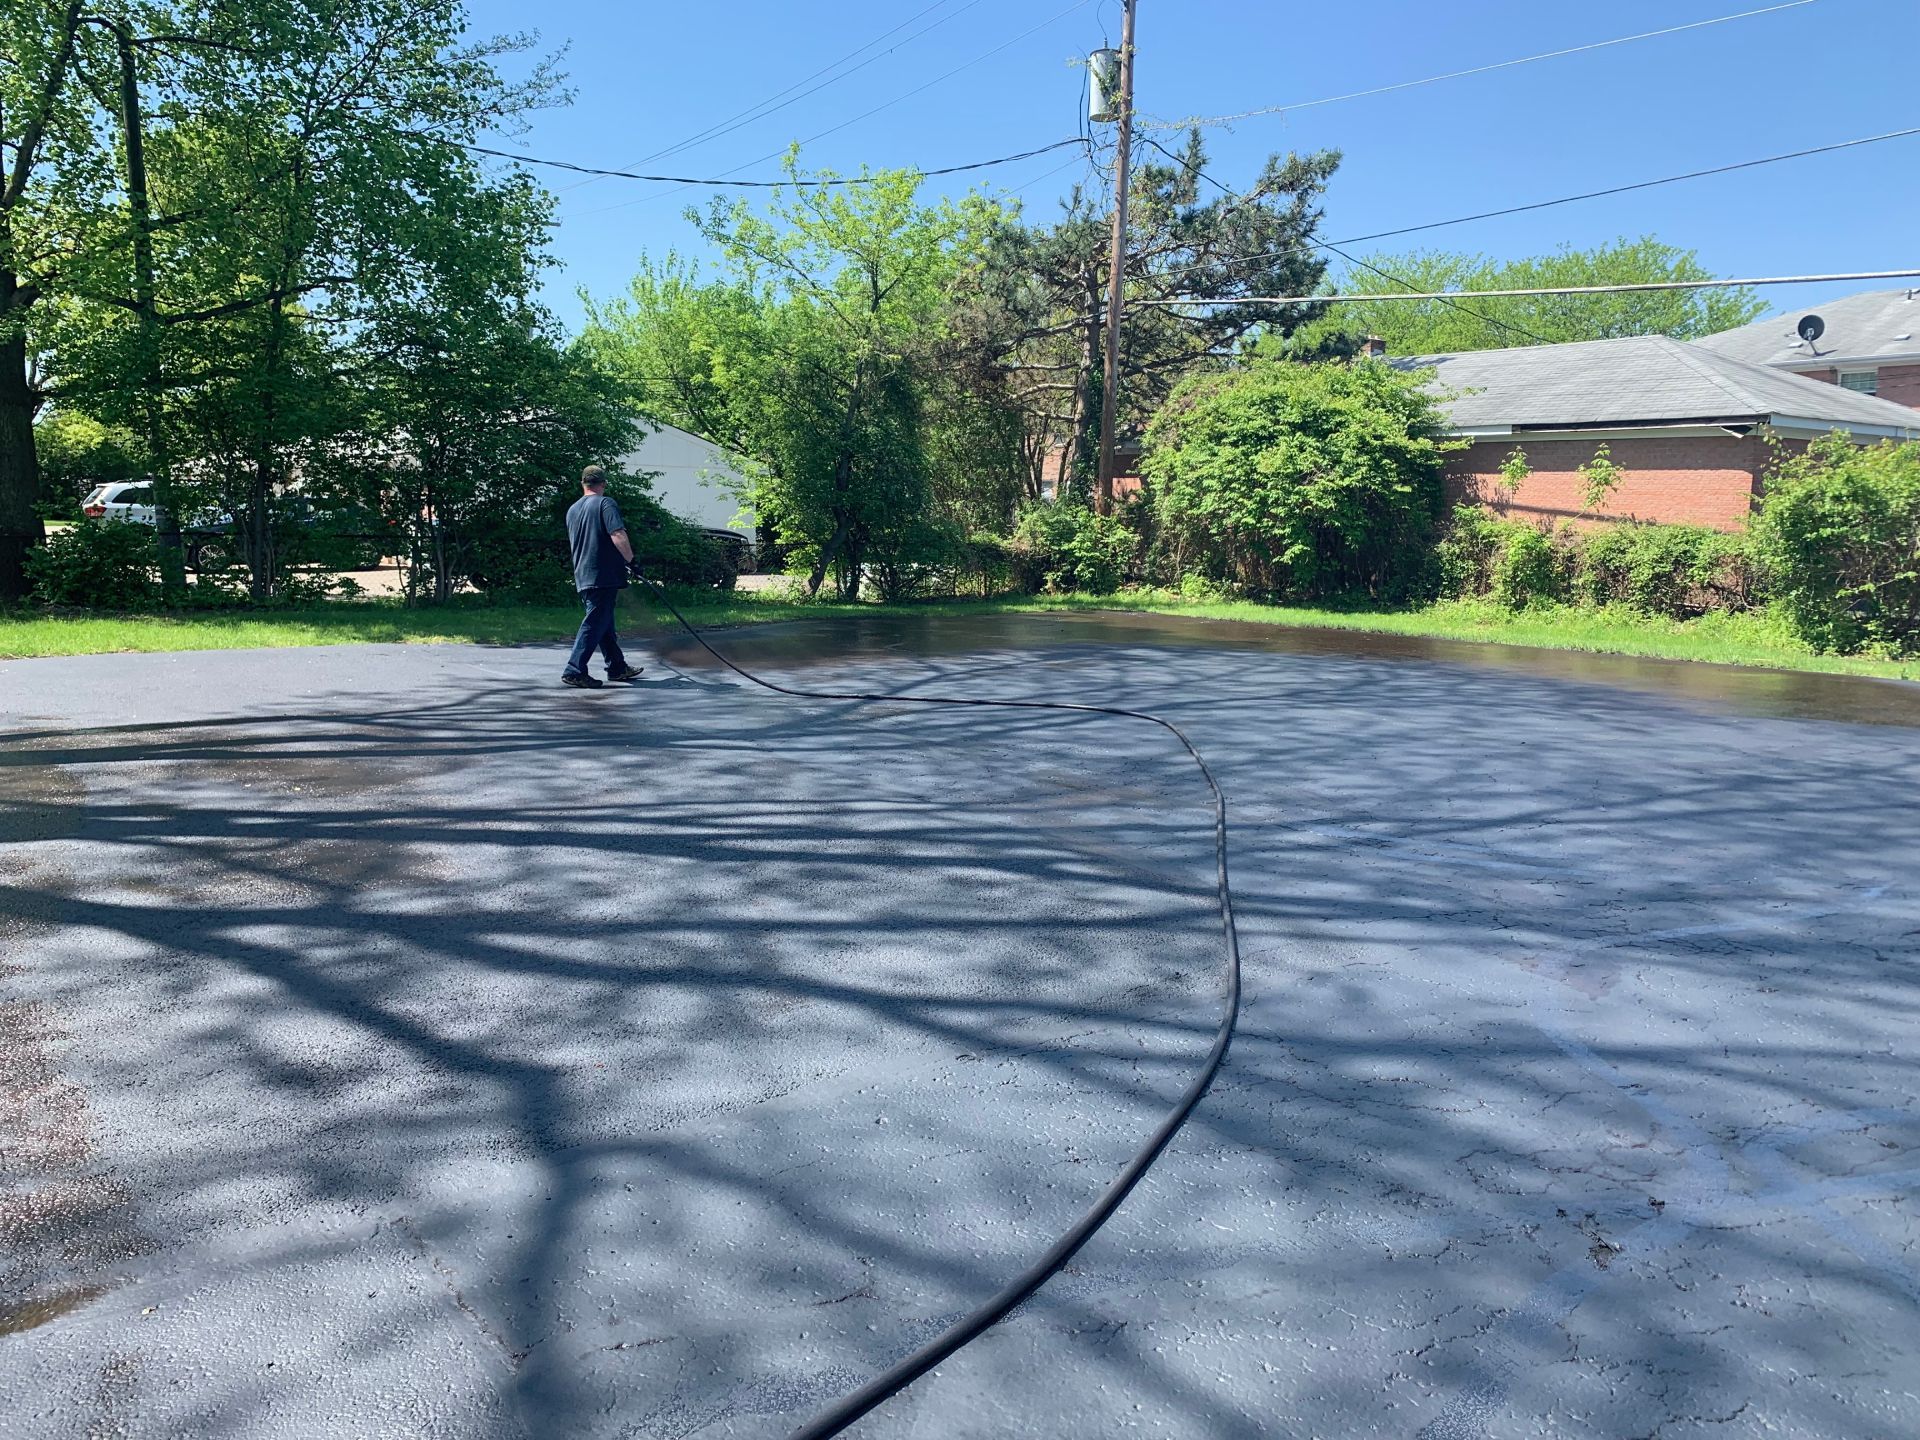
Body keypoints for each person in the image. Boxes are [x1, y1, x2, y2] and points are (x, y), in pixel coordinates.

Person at [562, 465, 644, 688]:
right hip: (602, 574)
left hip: (583, 574)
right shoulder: (605, 503)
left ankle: (617, 667)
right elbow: (617, 534)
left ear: (583, 483)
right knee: (595, 621)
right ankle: (574, 669)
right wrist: (631, 561)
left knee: (603, 621)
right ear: (603, 483)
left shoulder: (572, 510)